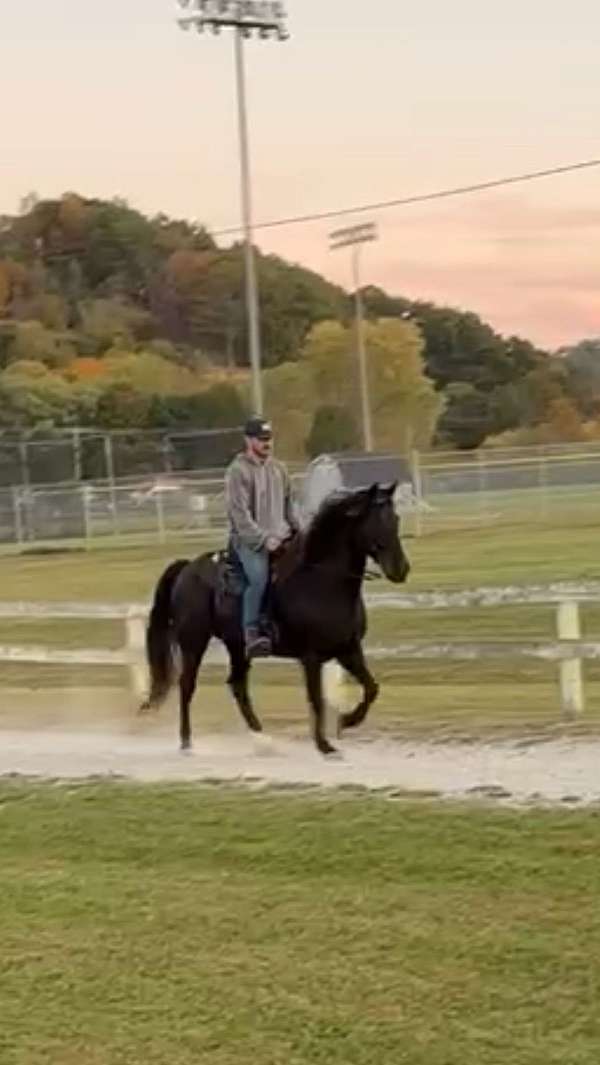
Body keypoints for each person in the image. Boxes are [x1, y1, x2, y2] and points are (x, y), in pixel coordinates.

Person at [225, 416, 298, 657]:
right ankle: (251, 633)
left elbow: (290, 506)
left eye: (269, 439)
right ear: (248, 440)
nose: (267, 443)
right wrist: (263, 539)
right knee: (259, 578)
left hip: (281, 536)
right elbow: (239, 514)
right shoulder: (237, 471)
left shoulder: (280, 469)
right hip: (249, 541)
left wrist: (300, 531)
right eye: (261, 439)